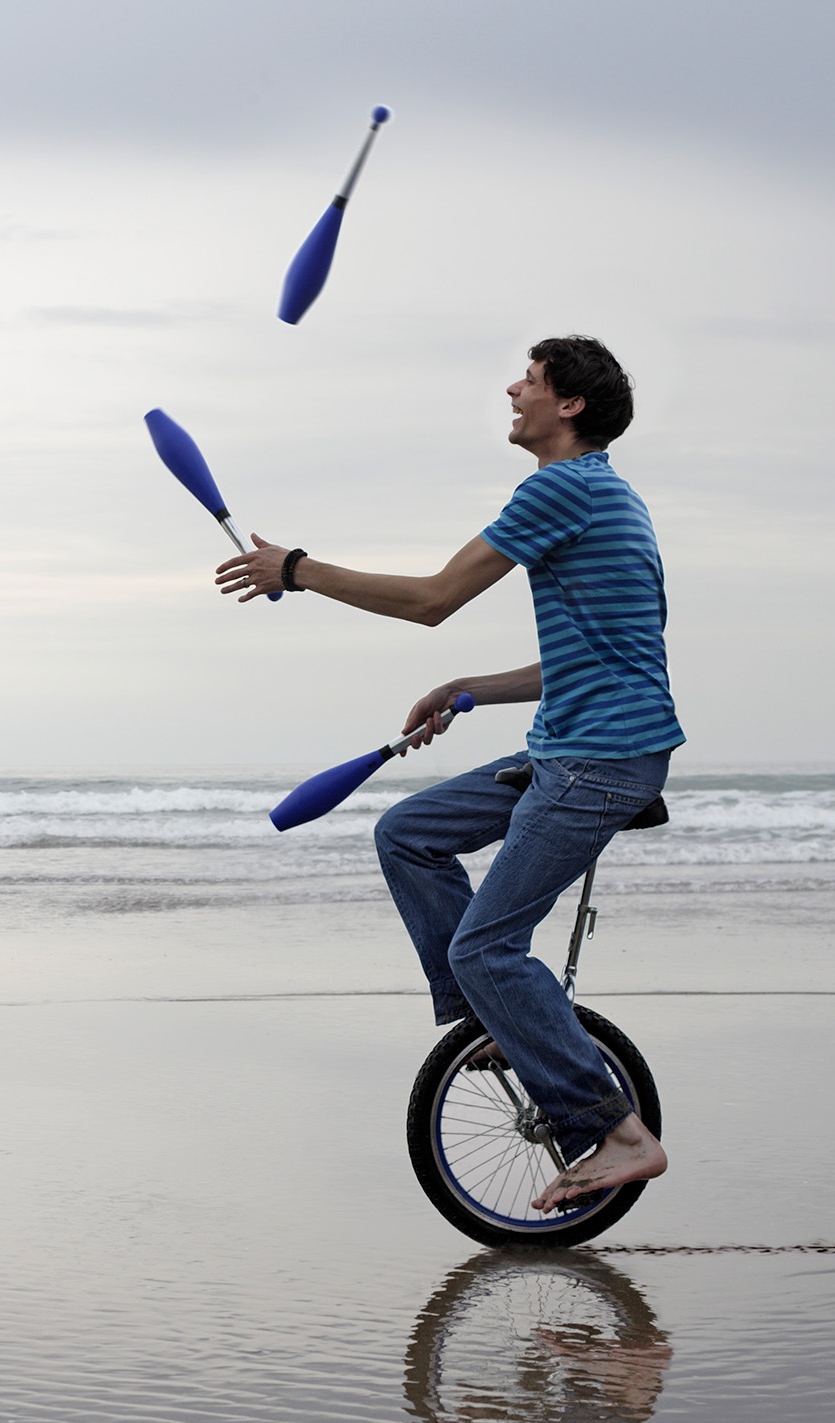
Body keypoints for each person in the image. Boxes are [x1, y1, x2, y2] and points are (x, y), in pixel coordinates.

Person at [215, 336, 685, 1210]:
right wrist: (471, 687)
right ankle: (498, 1019)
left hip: (601, 760)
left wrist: (298, 571)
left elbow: (433, 600)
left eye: (531, 381)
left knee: (486, 945)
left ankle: (619, 1133)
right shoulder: (611, 497)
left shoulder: (563, 488)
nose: (514, 389)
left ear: (569, 406)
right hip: (574, 745)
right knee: (409, 833)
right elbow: (600, 659)